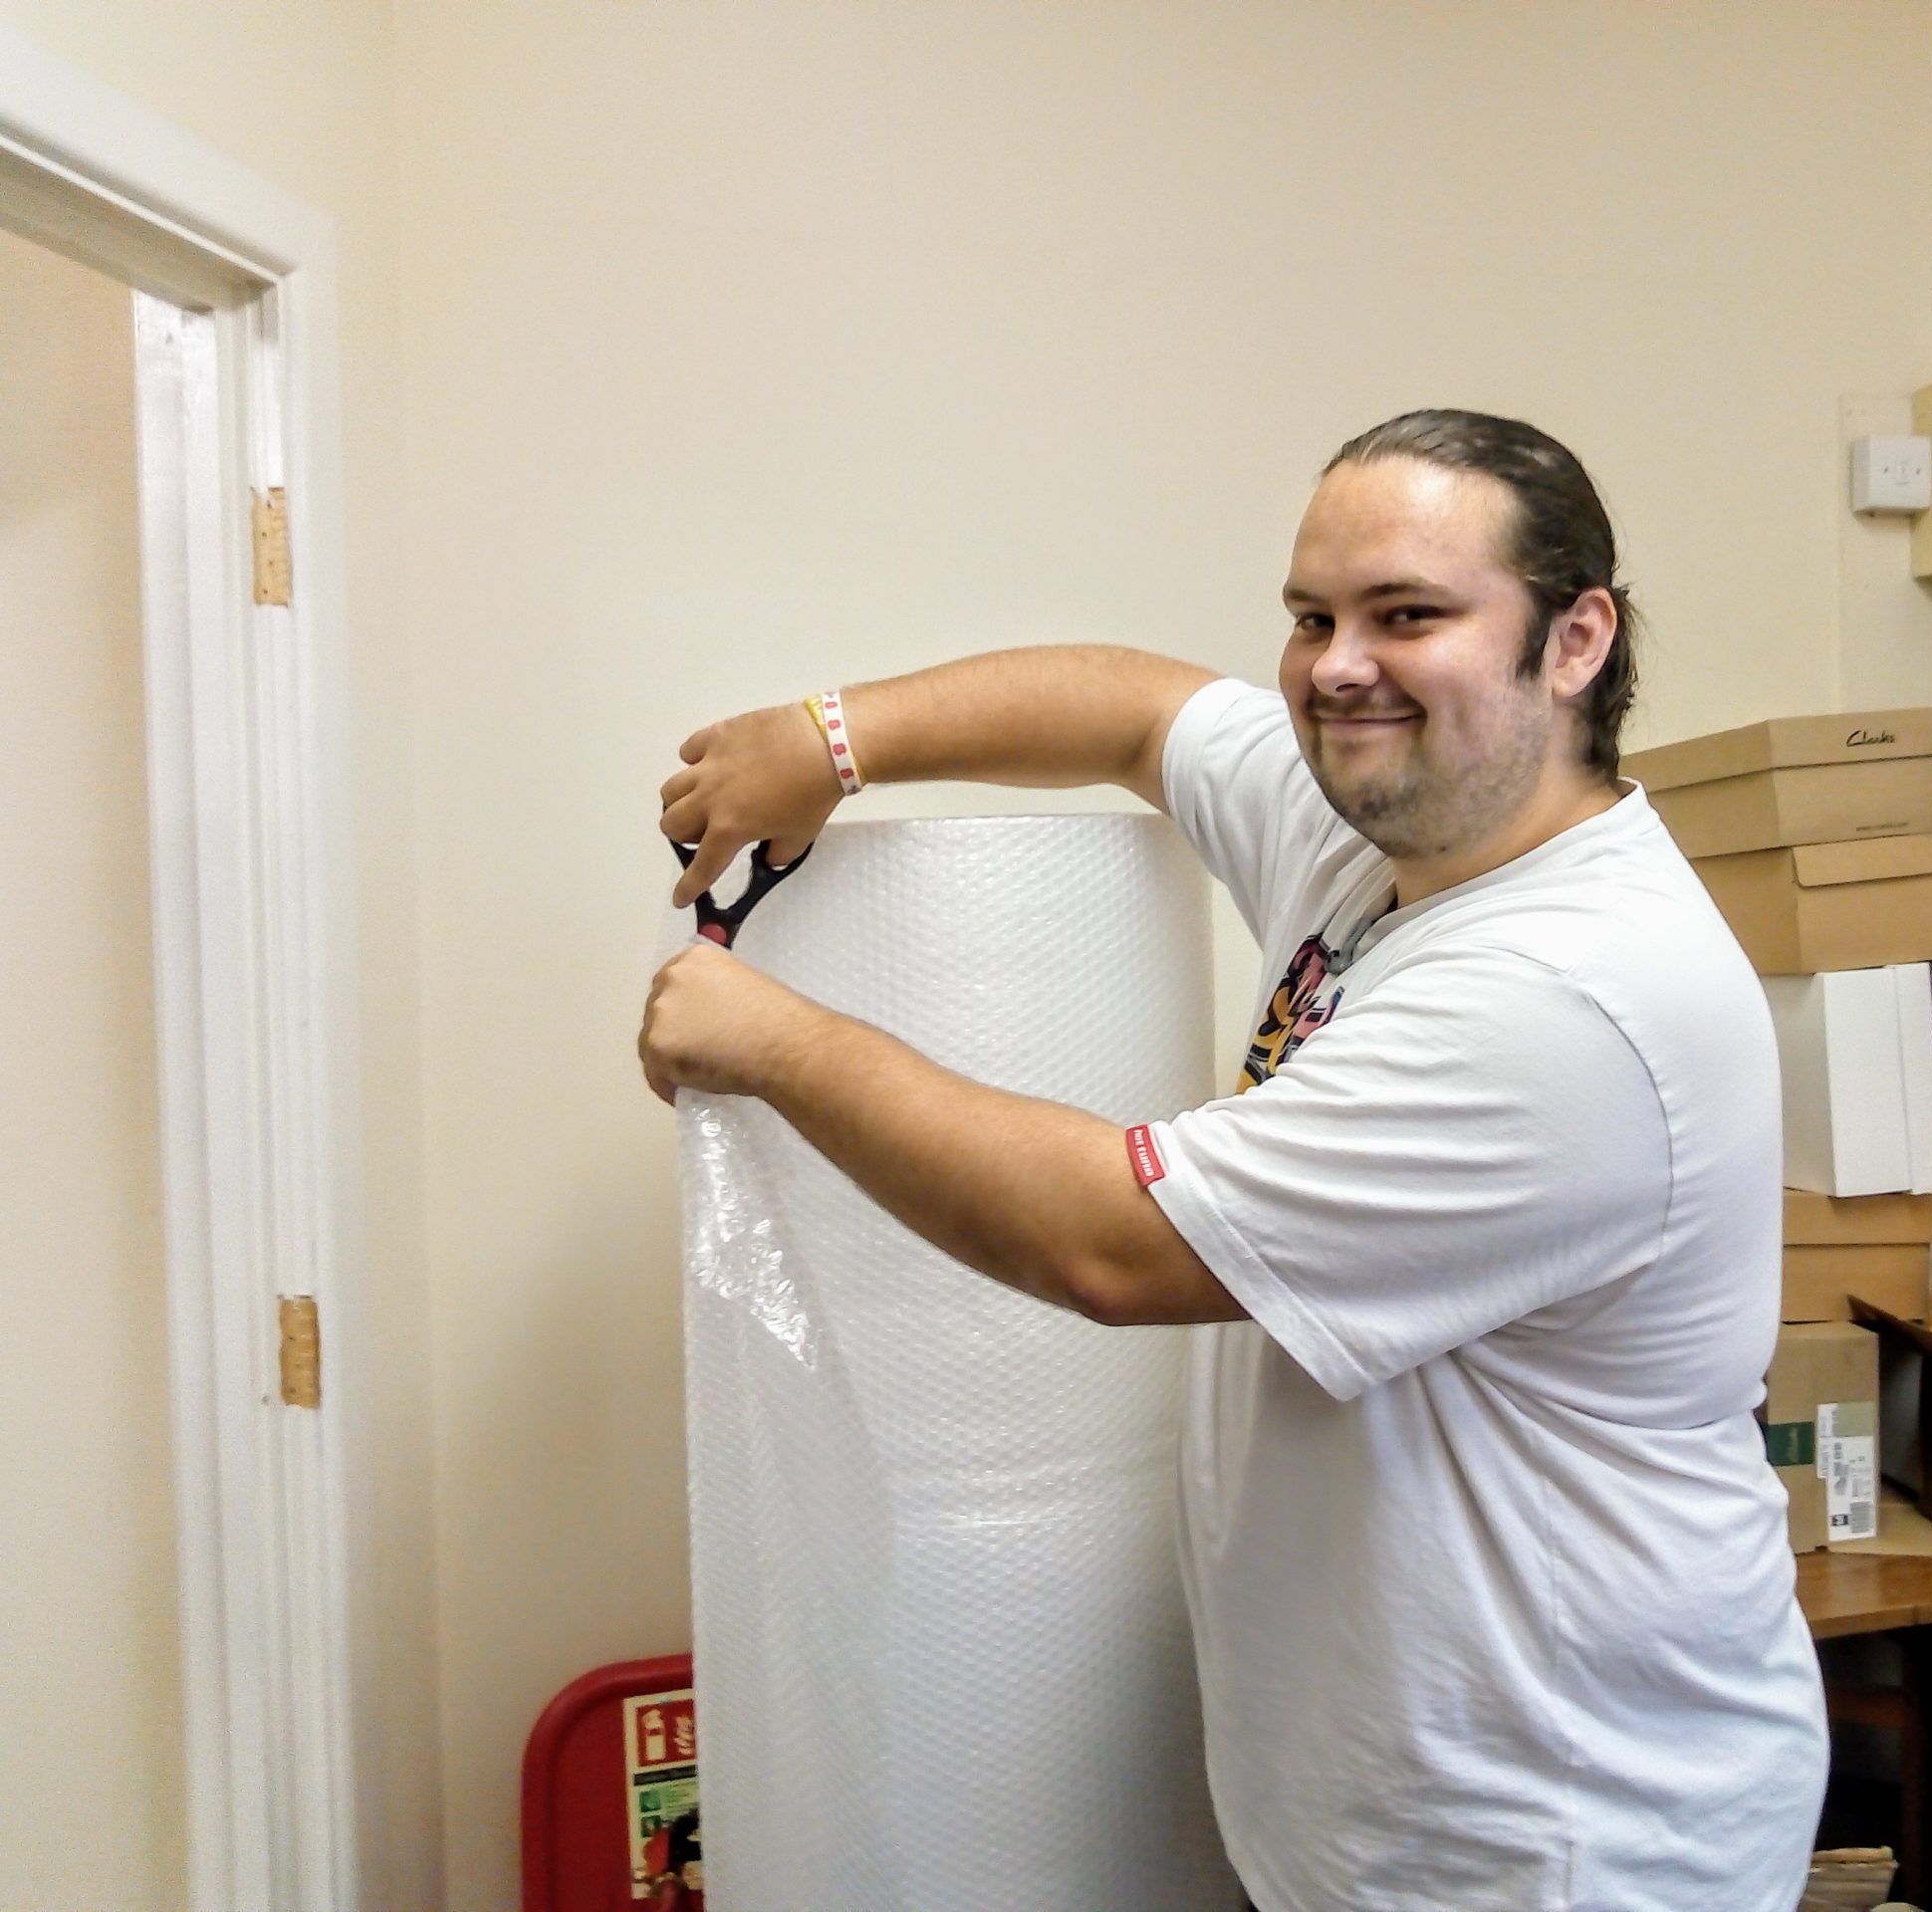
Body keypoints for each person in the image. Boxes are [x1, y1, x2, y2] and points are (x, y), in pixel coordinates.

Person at [640, 409, 1826, 1910]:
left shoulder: (1564, 997)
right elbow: (1140, 712)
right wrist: (830, 737)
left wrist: (771, 1040)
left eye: (1408, 615)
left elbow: (1116, 1242)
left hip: (1561, 1846)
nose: (1339, 665)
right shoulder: (1390, 843)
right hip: (1395, 1808)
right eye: (1312, 616)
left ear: (1575, 640)